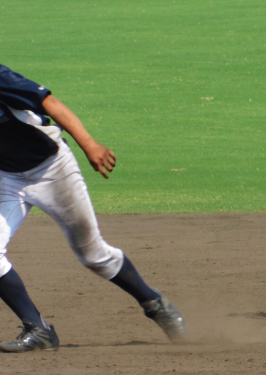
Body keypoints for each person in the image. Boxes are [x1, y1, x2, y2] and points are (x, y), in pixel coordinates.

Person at [0, 64, 186, 352]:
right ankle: (38, 330)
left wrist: (89, 144)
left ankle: (154, 303)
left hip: (51, 169)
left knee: (93, 255)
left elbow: (49, 102)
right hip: (6, 179)